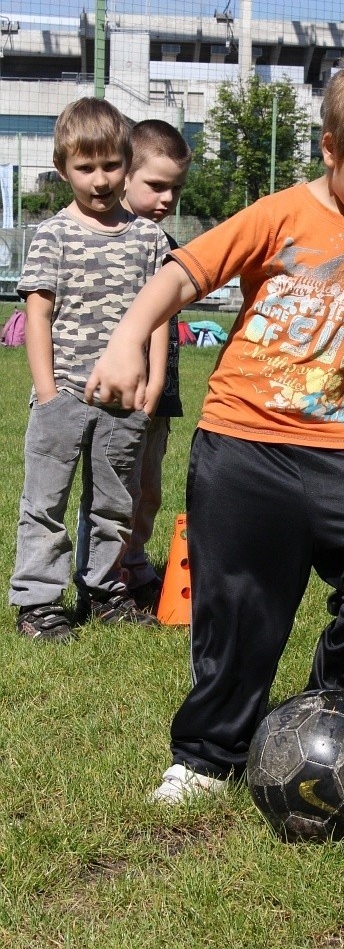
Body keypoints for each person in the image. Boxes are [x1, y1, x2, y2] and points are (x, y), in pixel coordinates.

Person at [85, 49, 344, 802]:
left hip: (342, 444)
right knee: (241, 607)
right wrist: (127, 339)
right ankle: (206, 757)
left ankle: (343, 713)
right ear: (330, 150)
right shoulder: (281, 215)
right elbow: (182, 274)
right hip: (243, 441)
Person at [10, 98, 169, 640]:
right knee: (45, 503)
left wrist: (154, 382)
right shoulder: (53, 234)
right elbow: (39, 315)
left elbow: (159, 316)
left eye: (111, 166)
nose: (99, 180)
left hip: (125, 399)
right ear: (62, 169)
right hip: (65, 396)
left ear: (127, 163)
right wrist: (48, 394)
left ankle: (105, 590)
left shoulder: (150, 238)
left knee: (113, 506)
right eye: (85, 168)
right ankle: (38, 603)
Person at [119, 120, 192, 611]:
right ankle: (106, 573)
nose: (167, 198)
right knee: (112, 487)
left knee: (148, 485)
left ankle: (136, 562)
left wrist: (159, 379)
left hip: (157, 391)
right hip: (117, 386)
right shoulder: (109, 239)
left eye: (176, 189)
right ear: (125, 174)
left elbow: (166, 320)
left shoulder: (165, 246)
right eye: (156, 185)